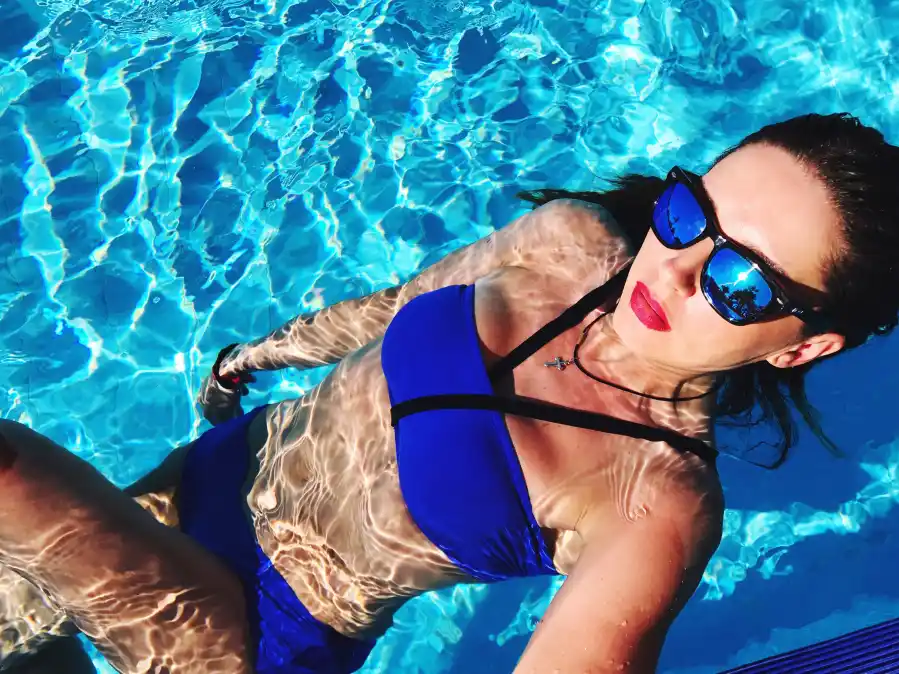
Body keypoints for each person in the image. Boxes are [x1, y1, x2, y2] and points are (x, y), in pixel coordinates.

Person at [1, 112, 898, 674]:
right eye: (687, 216)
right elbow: (394, 309)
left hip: (245, 633)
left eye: (739, 282)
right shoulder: (564, 242)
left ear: (803, 346)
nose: (674, 270)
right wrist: (259, 356)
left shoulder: (654, 501)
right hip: (199, 483)